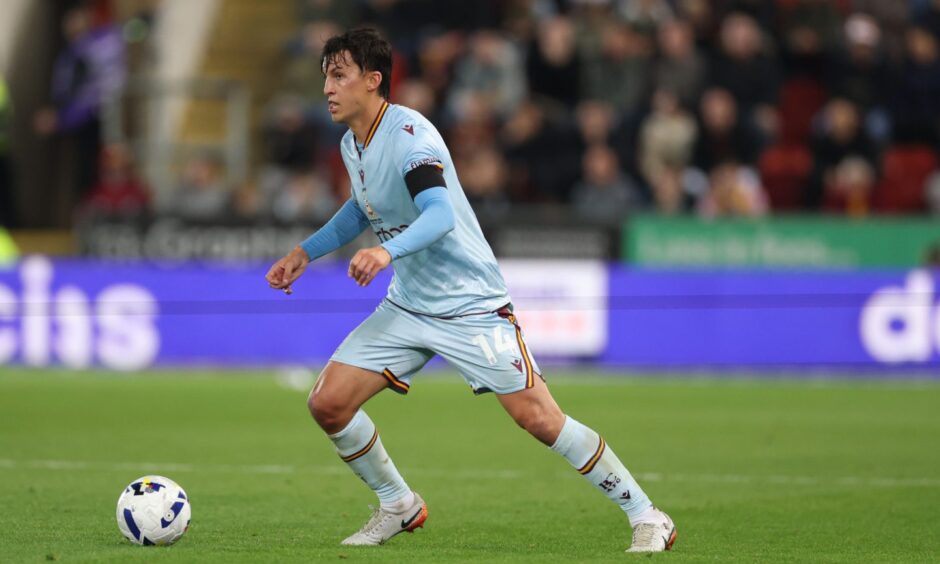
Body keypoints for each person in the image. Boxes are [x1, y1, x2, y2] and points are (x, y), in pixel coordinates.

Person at [265, 28, 676, 553]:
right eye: (325, 74)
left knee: (539, 418)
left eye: (339, 74)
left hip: (470, 304)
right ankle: (398, 504)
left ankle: (648, 515)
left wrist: (386, 252)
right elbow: (361, 209)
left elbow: (437, 216)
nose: (328, 86)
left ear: (373, 81)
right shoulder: (353, 143)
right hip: (410, 304)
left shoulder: (412, 136)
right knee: (328, 404)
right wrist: (305, 252)